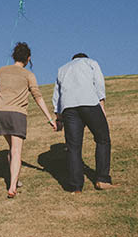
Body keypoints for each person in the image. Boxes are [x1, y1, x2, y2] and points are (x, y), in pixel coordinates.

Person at [0, 42, 57, 198]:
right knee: (16, 150)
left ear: (13, 56)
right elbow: (37, 97)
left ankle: (14, 179)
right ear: (28, 59)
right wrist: (50, 119)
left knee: (11, 148)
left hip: (0, 113)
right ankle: (12, 186)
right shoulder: (28, 75)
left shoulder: (2, 70)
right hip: (17, 114)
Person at [52, 53, 115, 193]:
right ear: (84, 57)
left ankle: (76, 187)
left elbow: (57, 94)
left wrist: (58, 118)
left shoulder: (62, 69)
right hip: (89, 103)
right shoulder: (91, 62)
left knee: (73, 147)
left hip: (68, 107)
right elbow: (99, 83)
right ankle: (102, 179)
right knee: (103, 139)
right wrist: (102, 106)